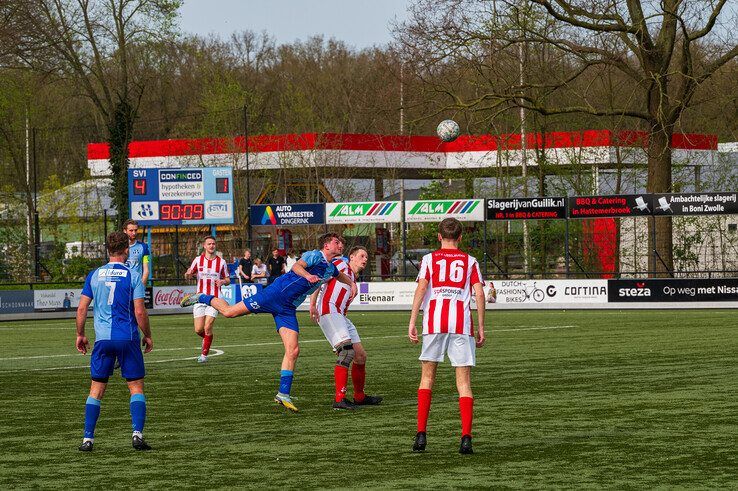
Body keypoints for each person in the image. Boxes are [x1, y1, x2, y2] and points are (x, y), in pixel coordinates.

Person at [180, 233, 357, 412]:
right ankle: (201, 297)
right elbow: (297, 266)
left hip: (287, 308)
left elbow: (340, 276)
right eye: (336, 242)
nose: (340, 245)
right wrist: (307, 276)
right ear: (326, 245)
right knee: (229, 312)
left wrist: (352, 284)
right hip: (273, 295)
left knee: (293, 349)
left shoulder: (329, 268)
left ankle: (283, 394)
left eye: (341, 243)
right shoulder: (315, 255)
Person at [407, 218, 486, 455]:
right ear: (460, 237)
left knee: (427, 379)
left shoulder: (429, 259)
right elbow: (479, 293)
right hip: (461, 324)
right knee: (463, 384)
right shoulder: (470, 261)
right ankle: (466, 439)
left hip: (434, 322)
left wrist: (412, 320)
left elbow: (421, 288)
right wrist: (481, 326)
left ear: (439, 237)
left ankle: (421, 435)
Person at [75, 231, 153, 452]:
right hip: (127, 338)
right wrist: (147, 335)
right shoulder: (133, 275)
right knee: (136, 388)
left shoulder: (94, 275)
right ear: (126, 249)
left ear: (108, 250)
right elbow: (139, 311)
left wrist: (80, 334)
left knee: (96, 389)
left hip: (103, 341)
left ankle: (87, 439)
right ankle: (137, 435)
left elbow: (81, 308)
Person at [310, 246, 383, 410]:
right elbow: (320, 278)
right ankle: (339, 399)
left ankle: (359, 397)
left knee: (360, 356)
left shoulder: (352, 278)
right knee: (346, 352)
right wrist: (313, 304)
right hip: (329, 311)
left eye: (366, 256)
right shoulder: (341, 266)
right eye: (362, 256)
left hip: (341, 315)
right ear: (351, 257)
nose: (365, 259)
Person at [184, 236, 230, 363]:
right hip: (199, 298)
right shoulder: (198, 260)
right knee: (199, 329)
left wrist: (222, 281)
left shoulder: (221, 262)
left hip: (215, 299)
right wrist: (188, 274)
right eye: (209, 244)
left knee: (208, 326)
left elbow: (228, 279)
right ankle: (207, 340)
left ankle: (204, 355)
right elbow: (188, 275)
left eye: (213, 244)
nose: (211, 246)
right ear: (204, 246)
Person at [122, 219, 150, 286]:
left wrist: (141, 287)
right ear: (125, 231)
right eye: (131, 230)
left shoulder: (144, 247)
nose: (134, 233)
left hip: (136, 285)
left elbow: (146, 270)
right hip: (121, 285)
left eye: (135, 230)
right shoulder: (119, 246)